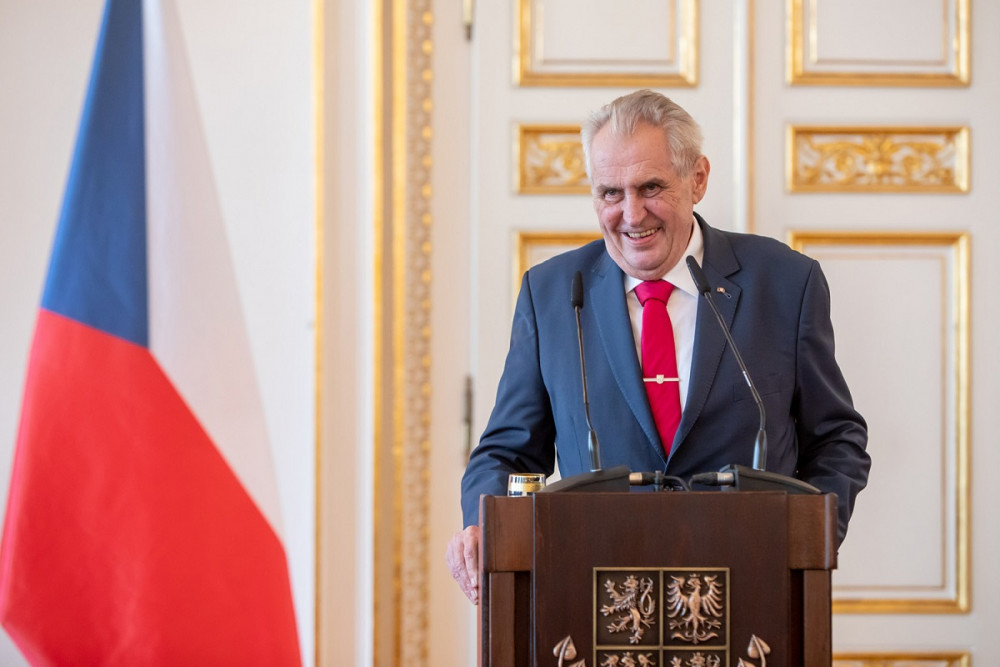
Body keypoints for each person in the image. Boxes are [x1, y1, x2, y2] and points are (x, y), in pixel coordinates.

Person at [445, 90, 870, 604]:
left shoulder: (784, 282)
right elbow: (508, 452)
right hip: (596, 595)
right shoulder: (553, 293)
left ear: (698, 179)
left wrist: (809, 541)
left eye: (650, 187)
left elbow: (836, 439)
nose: (631, 213)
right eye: (610, 193)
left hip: (752, 589)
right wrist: (483, 525)